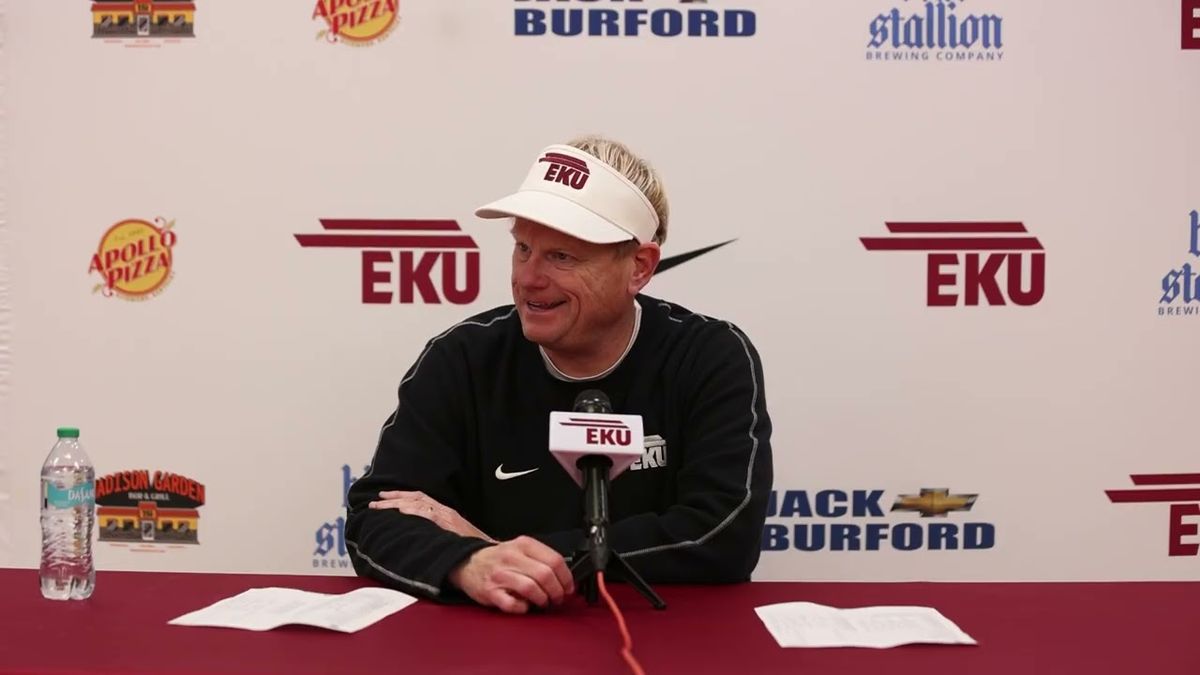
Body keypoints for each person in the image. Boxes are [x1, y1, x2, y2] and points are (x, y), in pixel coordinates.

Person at [345, 135, 773, 614]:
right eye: (523, 248)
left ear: (639, 266)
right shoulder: (463, 358)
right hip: (499, 645)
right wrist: (470, 562)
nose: (529, 278)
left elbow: (722, 534)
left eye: (562, 256)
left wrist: (501, 549)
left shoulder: (707, 356)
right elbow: (374, 519)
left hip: (663, 643)